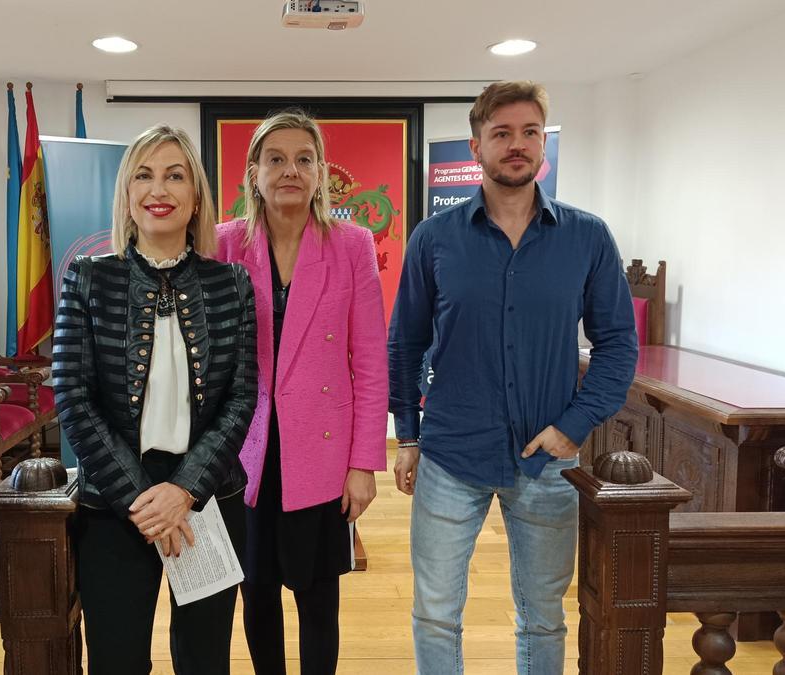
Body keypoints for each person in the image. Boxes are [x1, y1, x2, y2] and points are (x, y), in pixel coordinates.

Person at [388, 81, 638, 675]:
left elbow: (618, 344)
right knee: (436, 612)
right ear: (476, 146)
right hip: (451, 454)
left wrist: (572, 428)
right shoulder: (434, 239)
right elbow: (404, 341)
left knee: (543, 614)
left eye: (530, 132)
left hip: (546, 459)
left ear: (542, 146)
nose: (517, 144)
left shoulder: (587, 237)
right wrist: (407, 435)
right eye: (501, 133)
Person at [52, 124, 257, 675]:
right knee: (116, 661)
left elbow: (242, 398)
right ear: (127, 193)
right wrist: (144, 500)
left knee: (205, 658)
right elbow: (71, 395)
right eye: (143, 175)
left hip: (207, 495)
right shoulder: (88, 279)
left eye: (174, 175)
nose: (158, 189)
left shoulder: (231, 282)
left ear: (195, 198)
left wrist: (184, 492)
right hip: (116, 502)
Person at [215, 109, 388, 675]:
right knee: (256, 594)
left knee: (317, 598)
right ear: (254, 173)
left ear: (320, 174)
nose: (290, 169)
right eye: (276, 158)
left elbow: (368, 361)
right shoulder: (223, 245)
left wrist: (364, 463)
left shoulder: (352, 244)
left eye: (304, 159)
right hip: (247, 450)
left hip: (322, 450)